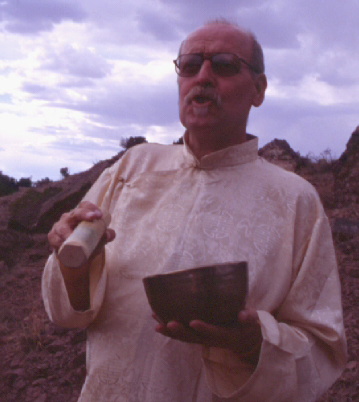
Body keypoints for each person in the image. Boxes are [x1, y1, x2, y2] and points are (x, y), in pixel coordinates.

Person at [42, 20, 347, 401]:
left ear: (259, 89)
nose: (203, 77)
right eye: (190, 65)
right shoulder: (132, 168)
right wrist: (72, 263)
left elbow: (321, 346)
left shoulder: (295, 199)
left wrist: (254, 343)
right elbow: (71, 311)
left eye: (224, 64)